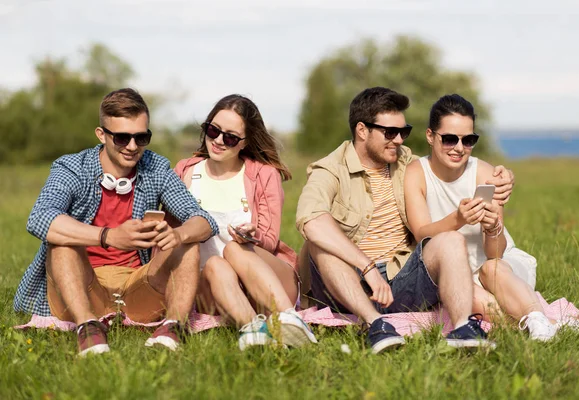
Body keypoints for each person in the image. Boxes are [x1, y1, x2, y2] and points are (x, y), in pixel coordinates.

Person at [296, 87, 515, 353]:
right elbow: (311, 220)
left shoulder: (406, 163)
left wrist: (502, 176)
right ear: (362, 131)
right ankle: (375, 325)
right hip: (345, 284)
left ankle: (461, 329)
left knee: (451, 240)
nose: (399, 140)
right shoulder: (329, 170)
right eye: (390, 133)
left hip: (400, 278)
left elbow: (448, 162)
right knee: (321, 243)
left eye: (404, 132)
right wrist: (367, 268)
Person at [13, 88, 219, 356]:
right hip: (80, 285)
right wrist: (108, 236)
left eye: (141, 137)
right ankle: (88, 328)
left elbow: (203, 220)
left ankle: (173, 328)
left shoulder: (156, 167)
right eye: (122, 138)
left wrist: (179, 236)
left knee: (189, 242)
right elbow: (40, 218)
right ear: (102, 135)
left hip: (136, 287)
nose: (133, 147)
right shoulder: (72, 167)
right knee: (62, 242)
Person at [403, 94, 559, 340]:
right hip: (455, 271)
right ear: (430, 136)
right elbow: (421, 233)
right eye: (450, 139)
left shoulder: (485, 173)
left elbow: (496, 252)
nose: (459, 148)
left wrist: (492, 227)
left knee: (491, 269)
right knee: (467, 293)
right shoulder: (416, 173)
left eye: (468, 140)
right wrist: (459, 218)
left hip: (499, 267)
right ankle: (543, 323)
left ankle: (535, 318)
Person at [174, 94, 316, 350]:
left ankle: (292, 320)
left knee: (233, 248)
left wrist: (254, 236)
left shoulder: (263, 174)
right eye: (213, 130)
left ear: (244, 142)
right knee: (216, 263)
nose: (218, 140)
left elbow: (271, 241)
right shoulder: (185, 171)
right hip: (212, 285)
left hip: (264, 278)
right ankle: (255, 330)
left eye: (229, 137)